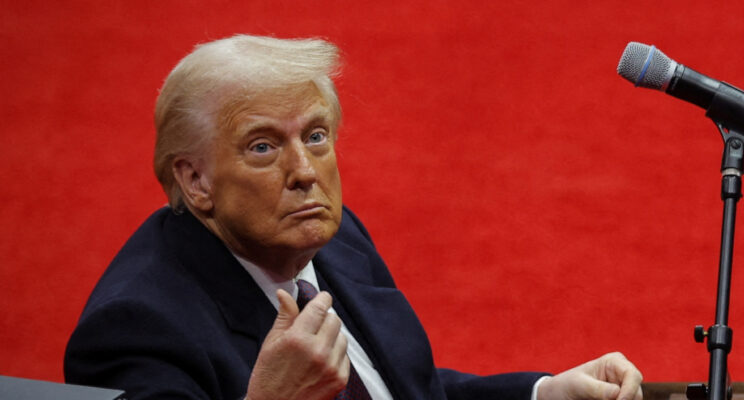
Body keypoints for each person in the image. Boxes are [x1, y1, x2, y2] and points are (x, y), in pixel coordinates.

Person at [64, 34, 643, 400]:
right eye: (263, 147)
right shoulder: (136, 328)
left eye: (316, 136)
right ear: (196, 181)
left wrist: (543, 394)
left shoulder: (332, 240)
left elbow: (401, 389)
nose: (304, 171)